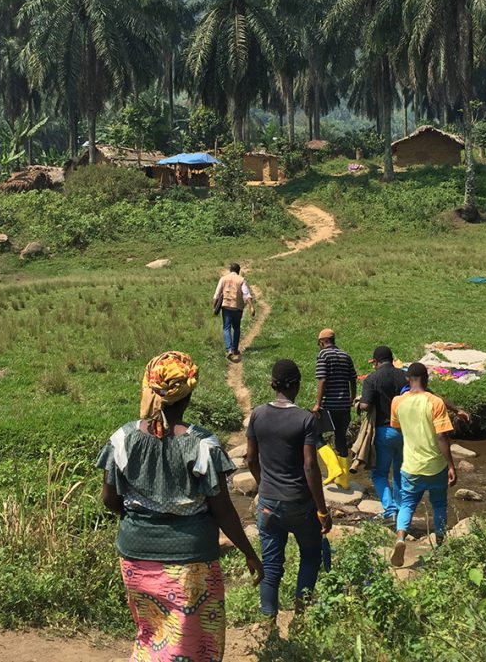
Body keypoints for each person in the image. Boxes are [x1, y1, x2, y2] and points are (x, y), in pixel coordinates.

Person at [99, 351, 262, 662]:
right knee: (192, 644)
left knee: (151, 633)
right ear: (189, 395)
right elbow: (222, 510)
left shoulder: (122, 438)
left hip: (135, 557)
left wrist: (141, 519)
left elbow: (109, 500)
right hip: (189, 563)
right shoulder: (202, 445)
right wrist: (249, 553)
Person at [246, 359, 333, 618]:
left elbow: (251, 459)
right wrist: (322, 509)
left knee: (271, 567)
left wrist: (264, 486)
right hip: (300, 504)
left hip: (269, 504)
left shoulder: (258, 414)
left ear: (273, 384)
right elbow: (310, 466)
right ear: (296, 385)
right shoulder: (305, 419)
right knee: (310, 555)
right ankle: (300, 614)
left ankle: (268, 622)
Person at [389, 362, 458, 566]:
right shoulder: (435, 402)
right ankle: (439, 543)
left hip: (410, 466)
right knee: (439, 505)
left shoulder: (397, 402)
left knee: (408, 505)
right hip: (435, 466)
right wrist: (452, 465)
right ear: (426, 379)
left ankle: (401, 537)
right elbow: (442, 437)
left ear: (407, 379)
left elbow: (398, 428)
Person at [357, 344, 408, 522]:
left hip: (383, 432)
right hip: (404, 432)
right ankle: (402, 511)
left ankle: (390, 509)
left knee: (379, 473)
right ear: (392, 360)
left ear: (377, 362)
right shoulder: (405, 376)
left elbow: (366, 405)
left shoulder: (372, 379)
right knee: (400, 471)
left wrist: (358, 403)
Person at [313, 328, 357, 489]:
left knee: (315, 435)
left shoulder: (323, 355)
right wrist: (352, 397)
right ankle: (343, 481)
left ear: (323, 342)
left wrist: (318, 404)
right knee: (340, 439)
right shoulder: (346, 356)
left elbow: (322, 380)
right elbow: (353, 378)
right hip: (344, 406)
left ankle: (333, 468)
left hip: (329, 405)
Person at [212, 263, 254, 362]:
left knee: (226, 328)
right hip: (237, 307)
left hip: (226, 306)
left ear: (230, 270)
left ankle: (229, 349)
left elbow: (217, 294)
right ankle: (235, 349)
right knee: (236, 328)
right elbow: (246, 294)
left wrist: (214, 307)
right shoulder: (241, 280)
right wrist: (251, 307)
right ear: (238, 270)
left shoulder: (223, 279)